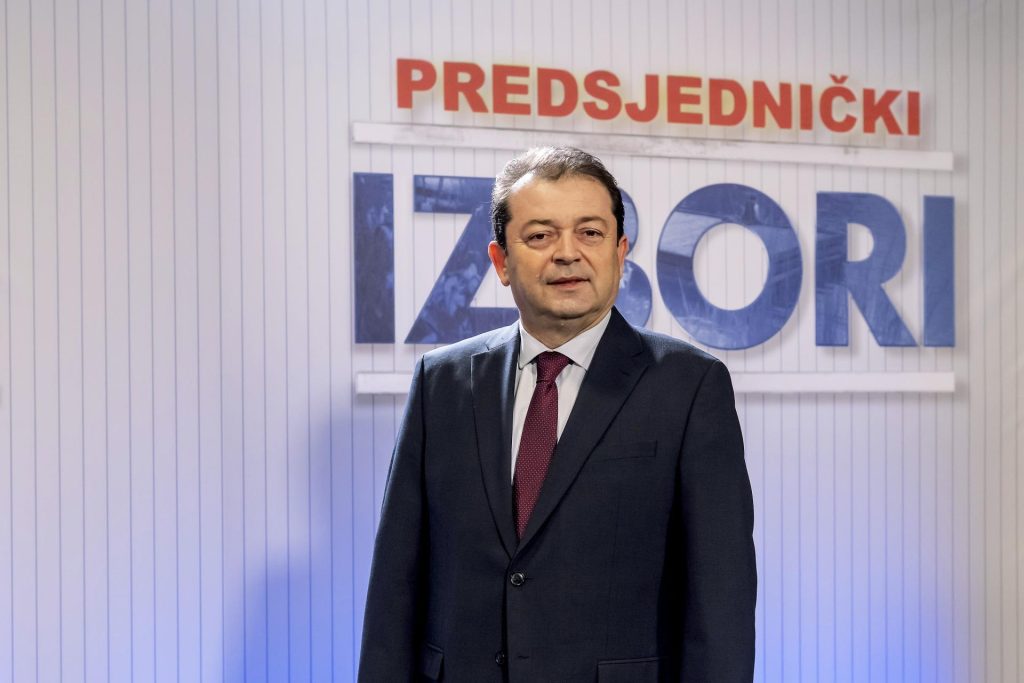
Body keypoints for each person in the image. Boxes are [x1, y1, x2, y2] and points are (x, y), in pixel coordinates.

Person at [358, 147, 756, 682]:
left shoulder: (689, 386)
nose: (568, 253)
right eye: (541, 235)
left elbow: (721, 599)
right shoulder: (441, 381)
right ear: (501, 261)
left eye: (590, 233)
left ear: (620, 252)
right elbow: (396, 584)